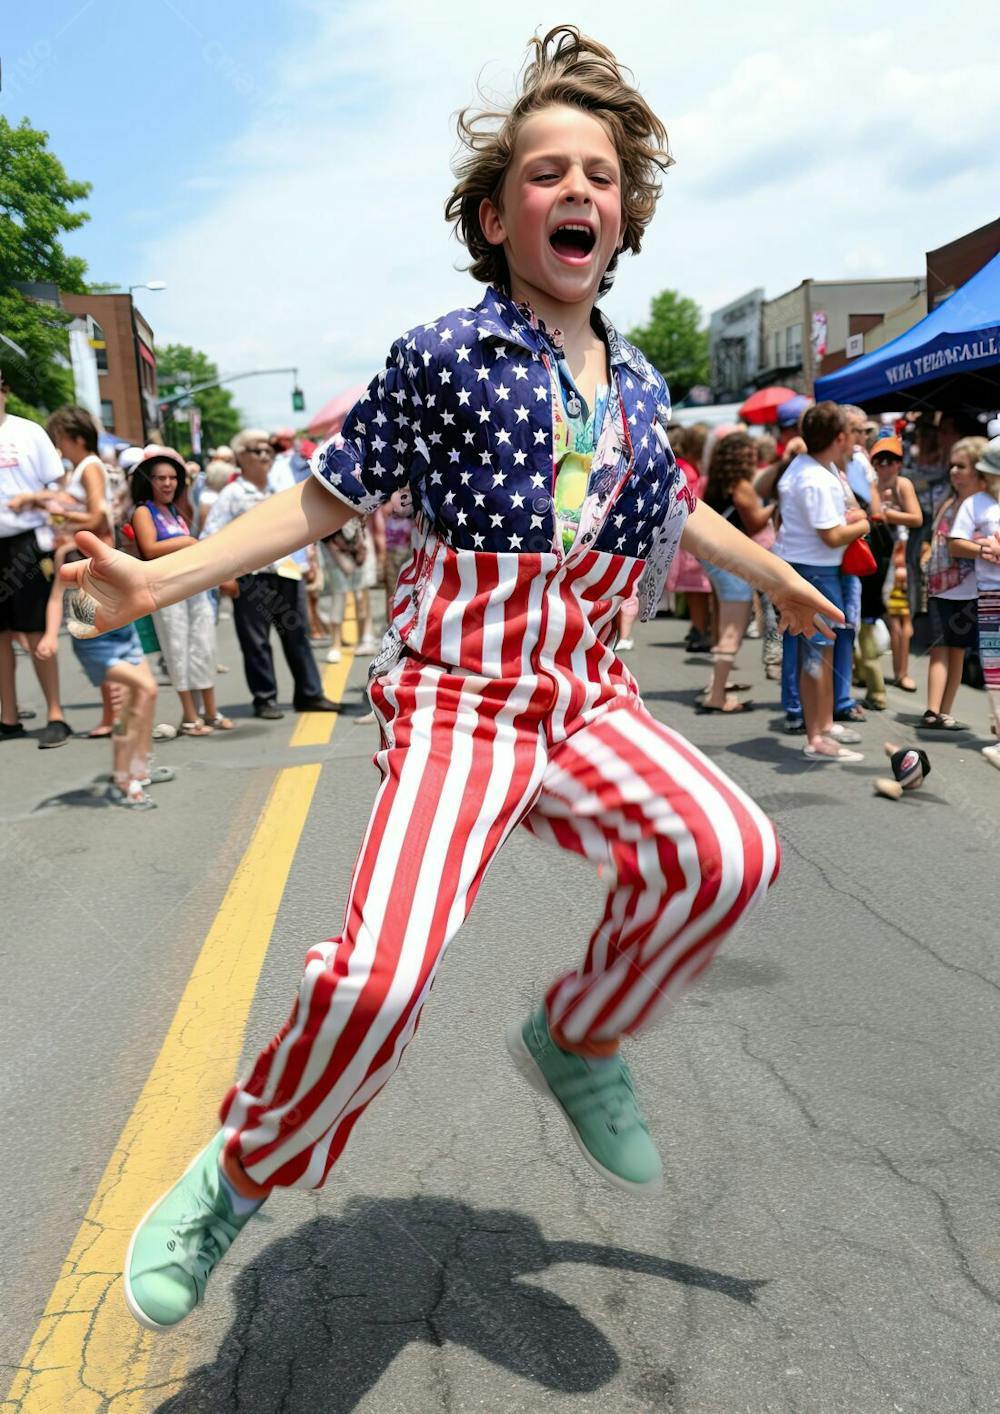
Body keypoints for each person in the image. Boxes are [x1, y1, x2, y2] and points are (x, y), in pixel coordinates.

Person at [60, 26, 839, 1331]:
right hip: (463, 702)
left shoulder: (643, 387)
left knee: (731, 849)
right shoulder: (442, 355)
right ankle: (237, 1168)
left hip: (587, 696)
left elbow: (677, 508)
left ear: (627, 214)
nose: (576, 190)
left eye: (599, 172)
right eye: (545, 173)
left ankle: (581, 1033)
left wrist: (773, 573)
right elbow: (316, 504)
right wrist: (159, 576)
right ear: (495, 214)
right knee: (378, 979)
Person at [201, 428, 337, 719]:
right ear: (240, 457)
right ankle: (265, 698)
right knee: (256, 641)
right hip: (250, 577)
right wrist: (226, 575)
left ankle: (310, 694)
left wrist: (308, 559)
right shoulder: (232, 494)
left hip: (286, 571)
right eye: (256, 450)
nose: (264, 455)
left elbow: (298, 529)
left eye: (268, 450)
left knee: (297, 635)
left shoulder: (278, 490)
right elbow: (210, 535)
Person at [37, 535, 168, 808]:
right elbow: (56, 598)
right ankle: (122, 779)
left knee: (148, 692)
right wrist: (50, 636)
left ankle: (140, 767)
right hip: (95, 643)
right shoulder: (68, 552)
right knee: (131, 701)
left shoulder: (112, 544)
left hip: (125, 634)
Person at [773, 401, 869, 761]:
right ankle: (817, 738)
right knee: (817, 655)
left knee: (817, 654)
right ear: (841, 437)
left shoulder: (807, 467)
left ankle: (823, 724)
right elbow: (831, 535)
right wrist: (863, 522)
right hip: (815, 572)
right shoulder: (815, 476)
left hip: (807, 569)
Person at [130, 446, 233, 735]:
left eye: (172, 478)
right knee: (177, 650)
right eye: (160, 478)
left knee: (204, 646)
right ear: (147, 481)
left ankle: (210, 712)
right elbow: (149, 549)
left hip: (194, 590)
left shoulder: (175, 511)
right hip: (168, 592)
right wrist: (187, 542)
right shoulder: (143, 511)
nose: (167, 483)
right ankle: (190, 717)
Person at [0, 372, 73, 747]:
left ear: (5, 390)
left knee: (32, 630)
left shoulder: (27, 433)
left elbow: (58, 491)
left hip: (25, 542)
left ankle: (56, 714)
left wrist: (58, 528)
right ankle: (8, 718)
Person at [45, 406, 122, 738]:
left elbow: (96, 518)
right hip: (83, 559)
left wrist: (59, 512)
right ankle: (114, 711)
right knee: (93, 635)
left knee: (94, 637)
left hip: (91, 561)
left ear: (75, 438)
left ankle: (116, 712)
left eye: (60, 438)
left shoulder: (89, 467)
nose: (58, 445)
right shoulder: (82, 469)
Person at [698, 431, 774, 712]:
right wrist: (775, 505)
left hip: (715, 559)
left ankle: (716, 684)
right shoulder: (740, 485)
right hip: (730, 562)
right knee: (733, 630)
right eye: (751, 452)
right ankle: (717, 696)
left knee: (722, 625)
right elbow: (754, 523)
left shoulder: (717, 482)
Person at [919, 436, 987, 730]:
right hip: (940, 588)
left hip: (971, 590)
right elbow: (934, 539)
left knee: (957, 650)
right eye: (952, 466)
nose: (954, 472)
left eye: (962, 466)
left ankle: (945, 711)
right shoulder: (948, 502)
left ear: (978, 470)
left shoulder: (985, 507)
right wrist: (927, 554)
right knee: (939, 647)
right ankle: (932, 710)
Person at [948, 435, 1000, 768]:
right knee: (995, 668)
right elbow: (955, 543)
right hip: (990, 593)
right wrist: (984, 548)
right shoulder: (975, 503)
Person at [664, 424, 712, 648]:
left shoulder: (684, 466)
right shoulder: (689, 471)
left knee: (697, 588)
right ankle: (700, 629)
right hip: (691, 535)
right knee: (697, 589)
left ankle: (698, 626)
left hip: (684, 535)